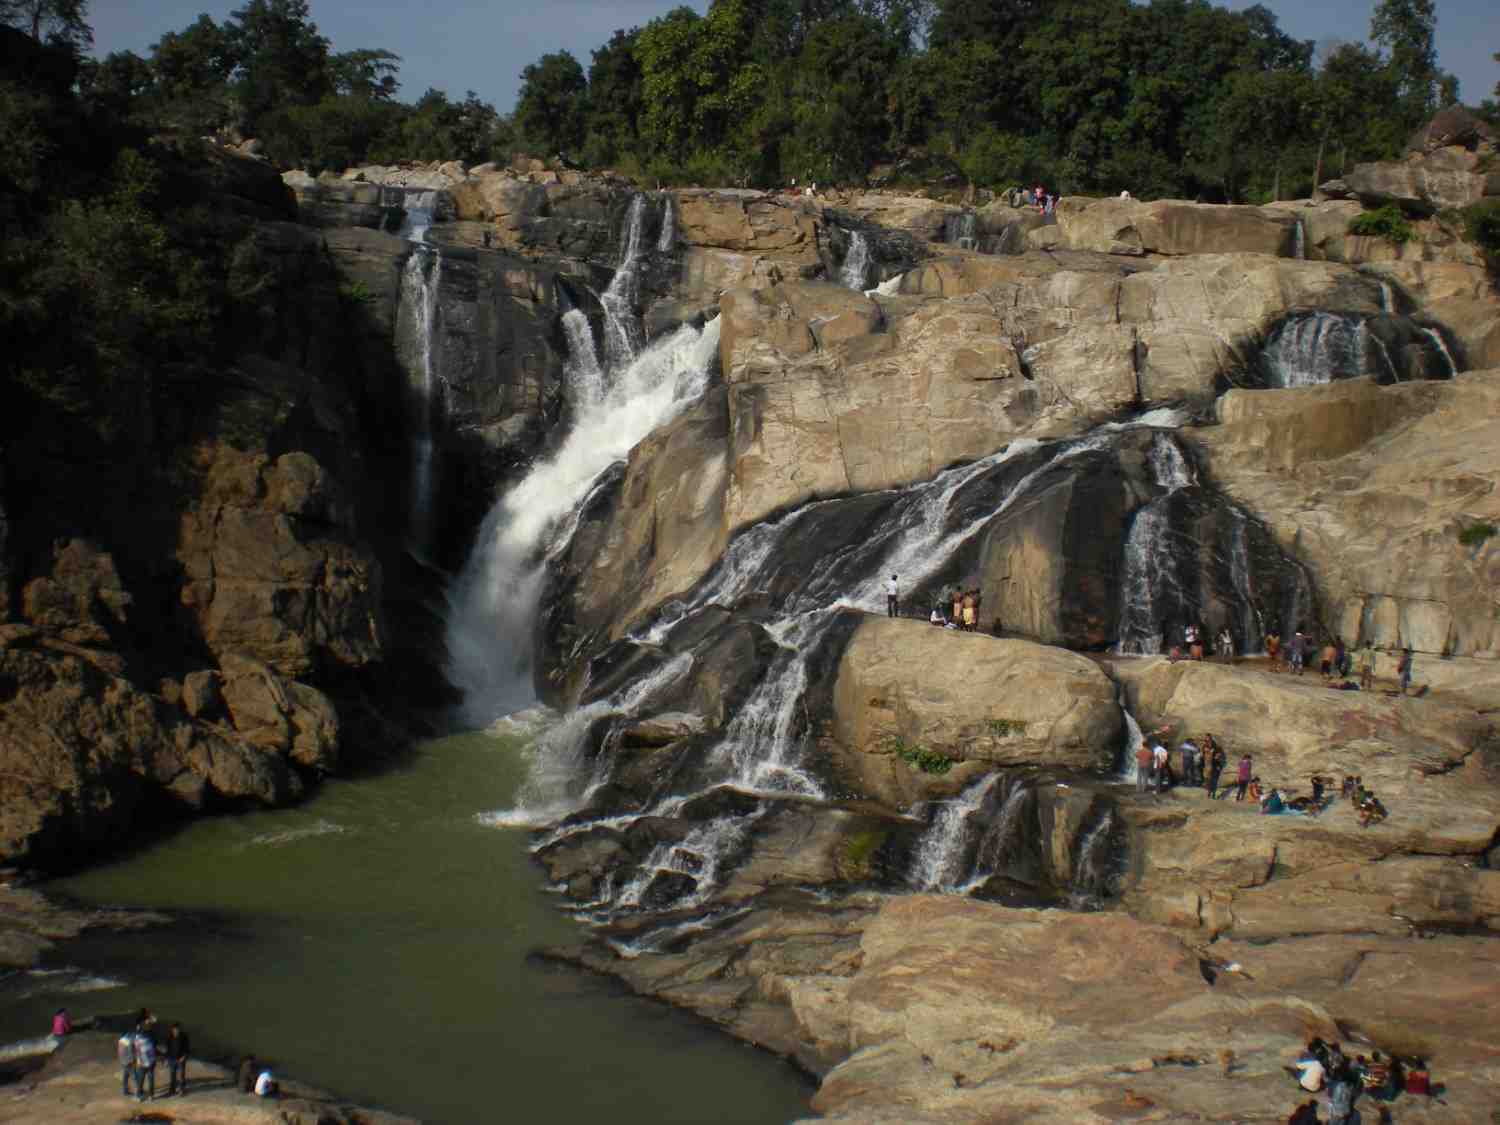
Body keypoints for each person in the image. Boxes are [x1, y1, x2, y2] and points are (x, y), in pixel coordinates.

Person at [165, 1023, 191, 1097]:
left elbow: (187, 1048)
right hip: (172, 1059)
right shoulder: (169, 1037)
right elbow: (168, 1049)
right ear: (172, 1030)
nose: (176, 1031)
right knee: (172, 1075)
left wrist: (184, 1057)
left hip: (181, 1059)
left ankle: (181, 1090)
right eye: (174, 1029)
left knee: (181, 1076)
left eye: (177, 1029)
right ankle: (172, 1090)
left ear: (179, 1029)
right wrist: (166, 1059)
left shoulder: (184, 1037)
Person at [133, 1025, 157, 1101]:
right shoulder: (150, 1039)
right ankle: (151, 1096)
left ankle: (139, 1096)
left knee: (141, 1080)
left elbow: (137, 1052)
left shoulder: (138, 1041)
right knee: (150, 1079)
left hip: (143, 1064)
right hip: (151, 1062)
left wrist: (138, 1061)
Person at [117, 1029, 138, 1098]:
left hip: (122, 1061)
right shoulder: (129, 1042)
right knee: (134, 1077)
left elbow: (120, 1051)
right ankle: (137, 1093)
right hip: (129, 1062)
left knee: (125, 1076)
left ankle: (125, 1091)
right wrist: (133, 1061)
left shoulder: (121, 1040)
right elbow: (131, 1052)